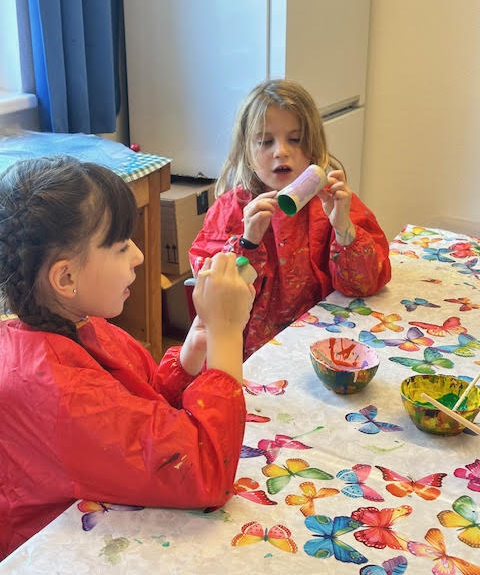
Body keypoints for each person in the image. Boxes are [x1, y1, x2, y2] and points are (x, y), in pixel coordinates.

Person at [0, 156, 254, 560]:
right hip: (60, 554)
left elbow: (140, 407)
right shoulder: (61, 392)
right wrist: (227, 333)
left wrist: (196, 346)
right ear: (66, 278)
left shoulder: (78, 325)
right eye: (121, 246)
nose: (138, 255)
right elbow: (205, 471)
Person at [190, 79, 391, 360]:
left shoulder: (332, 203)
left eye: (295, 140)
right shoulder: (230, 211)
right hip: (248, 356)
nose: (281, 151)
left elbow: (365, 285)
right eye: (265, 142)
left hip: (323, 346)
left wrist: (343, 228)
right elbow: (215, 298)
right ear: (246, 151)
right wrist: (248, 243)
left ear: (313, 147)